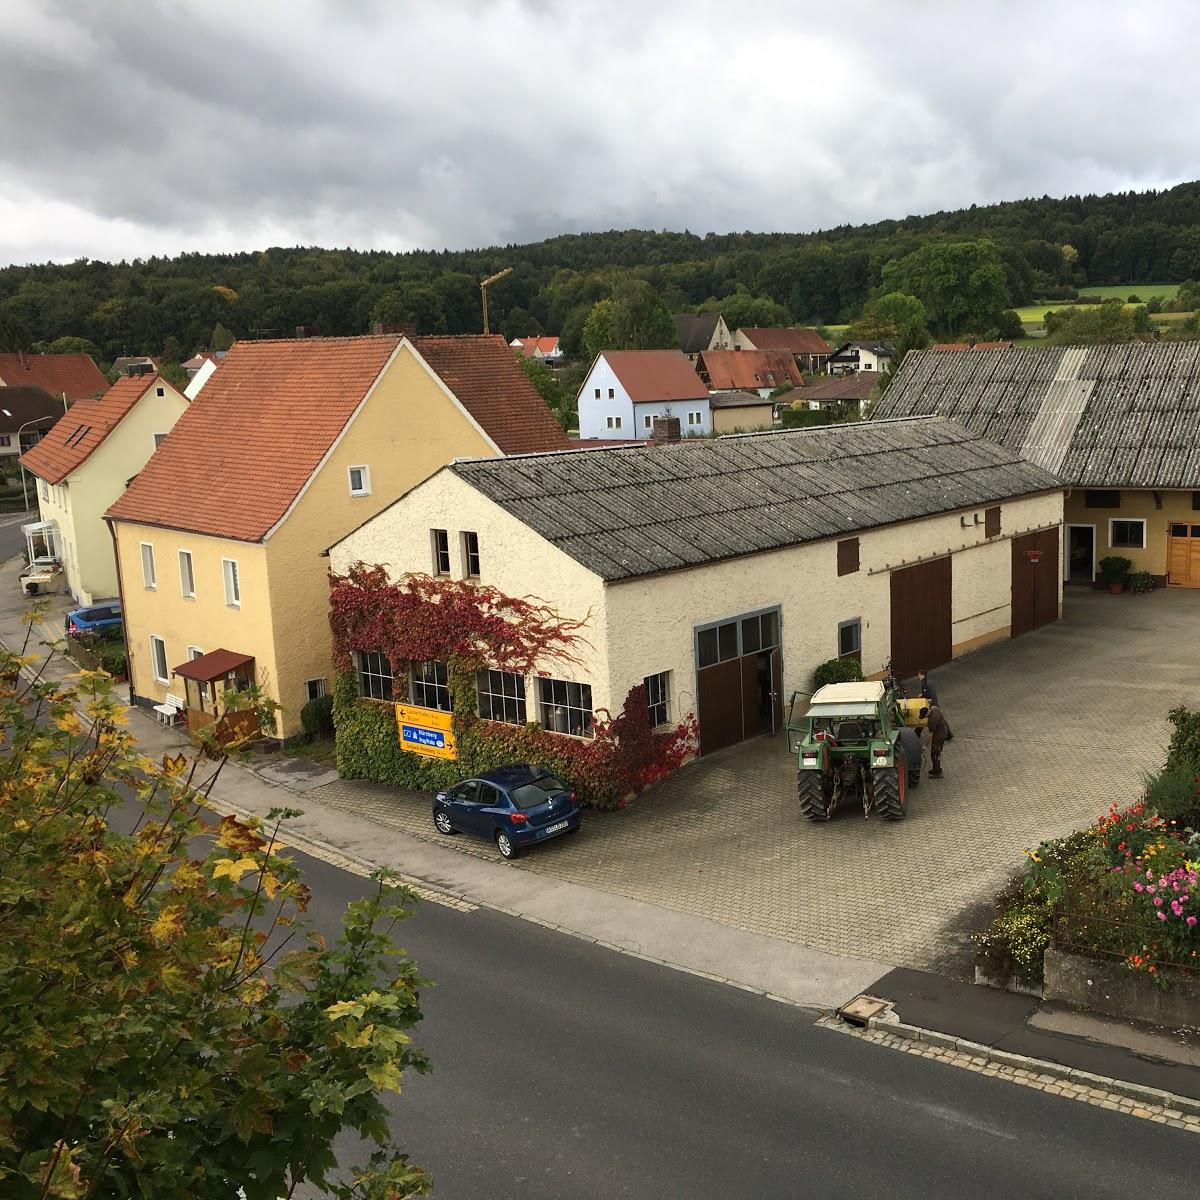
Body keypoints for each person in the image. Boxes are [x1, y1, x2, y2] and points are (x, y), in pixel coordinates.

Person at [918, 669, 953, 740]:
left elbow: (928, 695)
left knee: (924, 715)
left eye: (919, 675)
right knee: (941, 718)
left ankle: (917, 732)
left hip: (931, 704)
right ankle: (948, 734)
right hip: (935, 703)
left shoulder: (925, 684)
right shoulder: (930, 682)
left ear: (922, 675)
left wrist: (923, 697)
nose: (918, 677)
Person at [925, 703, 948, 778]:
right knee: (937, 752)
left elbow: (930, 735)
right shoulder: (934, 708)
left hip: (938, 736)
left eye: (925, 716)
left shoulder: (931, 720)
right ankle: (936, 769)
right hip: (943, 732)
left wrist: (925, 746)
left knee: (935, 754)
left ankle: (938, 772)